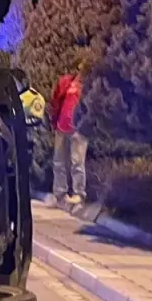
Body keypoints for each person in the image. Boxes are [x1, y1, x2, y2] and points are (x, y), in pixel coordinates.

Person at [49, 71, 87, 205]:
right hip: (62, 127)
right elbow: (55, 102)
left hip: (78, 129)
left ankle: (79, 193)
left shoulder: (88, 85)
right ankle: (60, 194)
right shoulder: (66, 81)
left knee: (77, 162)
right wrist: (54, 121)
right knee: (59, 162)